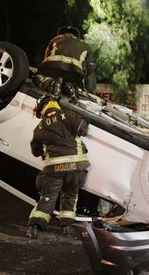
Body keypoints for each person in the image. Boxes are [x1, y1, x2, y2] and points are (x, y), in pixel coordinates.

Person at [26, 95, 90, 239]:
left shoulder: (40, 127)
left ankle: (34, 226)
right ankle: (67, 226)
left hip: (53, 169)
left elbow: (35, 151)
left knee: (47, 196)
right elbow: (83, 128)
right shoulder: (67, 115)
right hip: (76, 166)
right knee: (70, 195)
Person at [34, 26, 92, 101]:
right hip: (74, 71)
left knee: (38, 77)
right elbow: (91, 66)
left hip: (54, 67)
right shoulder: (85, 45)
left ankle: (51, 84)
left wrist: (42, 69)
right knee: (70, 81)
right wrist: (82, 76)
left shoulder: (55, 39)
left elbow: (46, 56)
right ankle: (68, 86)